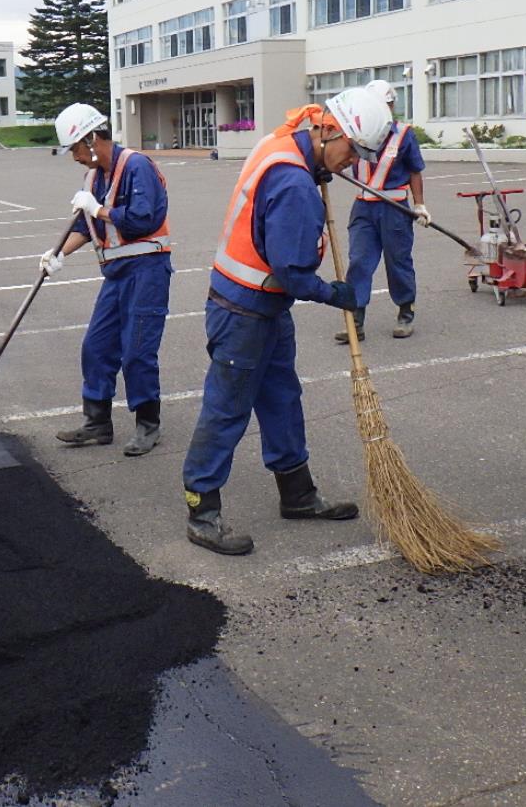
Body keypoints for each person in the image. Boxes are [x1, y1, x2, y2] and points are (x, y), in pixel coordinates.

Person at [182, 93, 369, 555]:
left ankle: (298, 494)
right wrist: (333, 293)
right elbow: (292, 271)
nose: (352, 165)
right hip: (242, 311)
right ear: (329, 131)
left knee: (282, 398)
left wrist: (321, 167)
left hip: (265, 307)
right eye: (353, 152)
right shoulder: (293, 185)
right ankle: (201, 508)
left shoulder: (287, 143)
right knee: (227, 408)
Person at [42, 103, 173, 457]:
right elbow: (86, 227)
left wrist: (97, 208)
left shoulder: (136, 167)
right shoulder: (93, 177)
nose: (75, 158)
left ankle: (148, 424)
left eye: (75, 149)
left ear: (92, 138)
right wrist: (57, 255)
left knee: (137, 350)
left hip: (147, 270)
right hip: (116, 275)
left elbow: (141, 219)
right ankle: (97, 422)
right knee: (96, 346)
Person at [334, 79, 431, 343]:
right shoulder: (355, 132)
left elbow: (414, 170)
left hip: (394, 208)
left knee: (397, 261)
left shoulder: (403, 134)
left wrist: (419, 204)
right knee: (359, 261)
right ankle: (356, 318)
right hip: (363, 206)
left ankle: (405, 311)